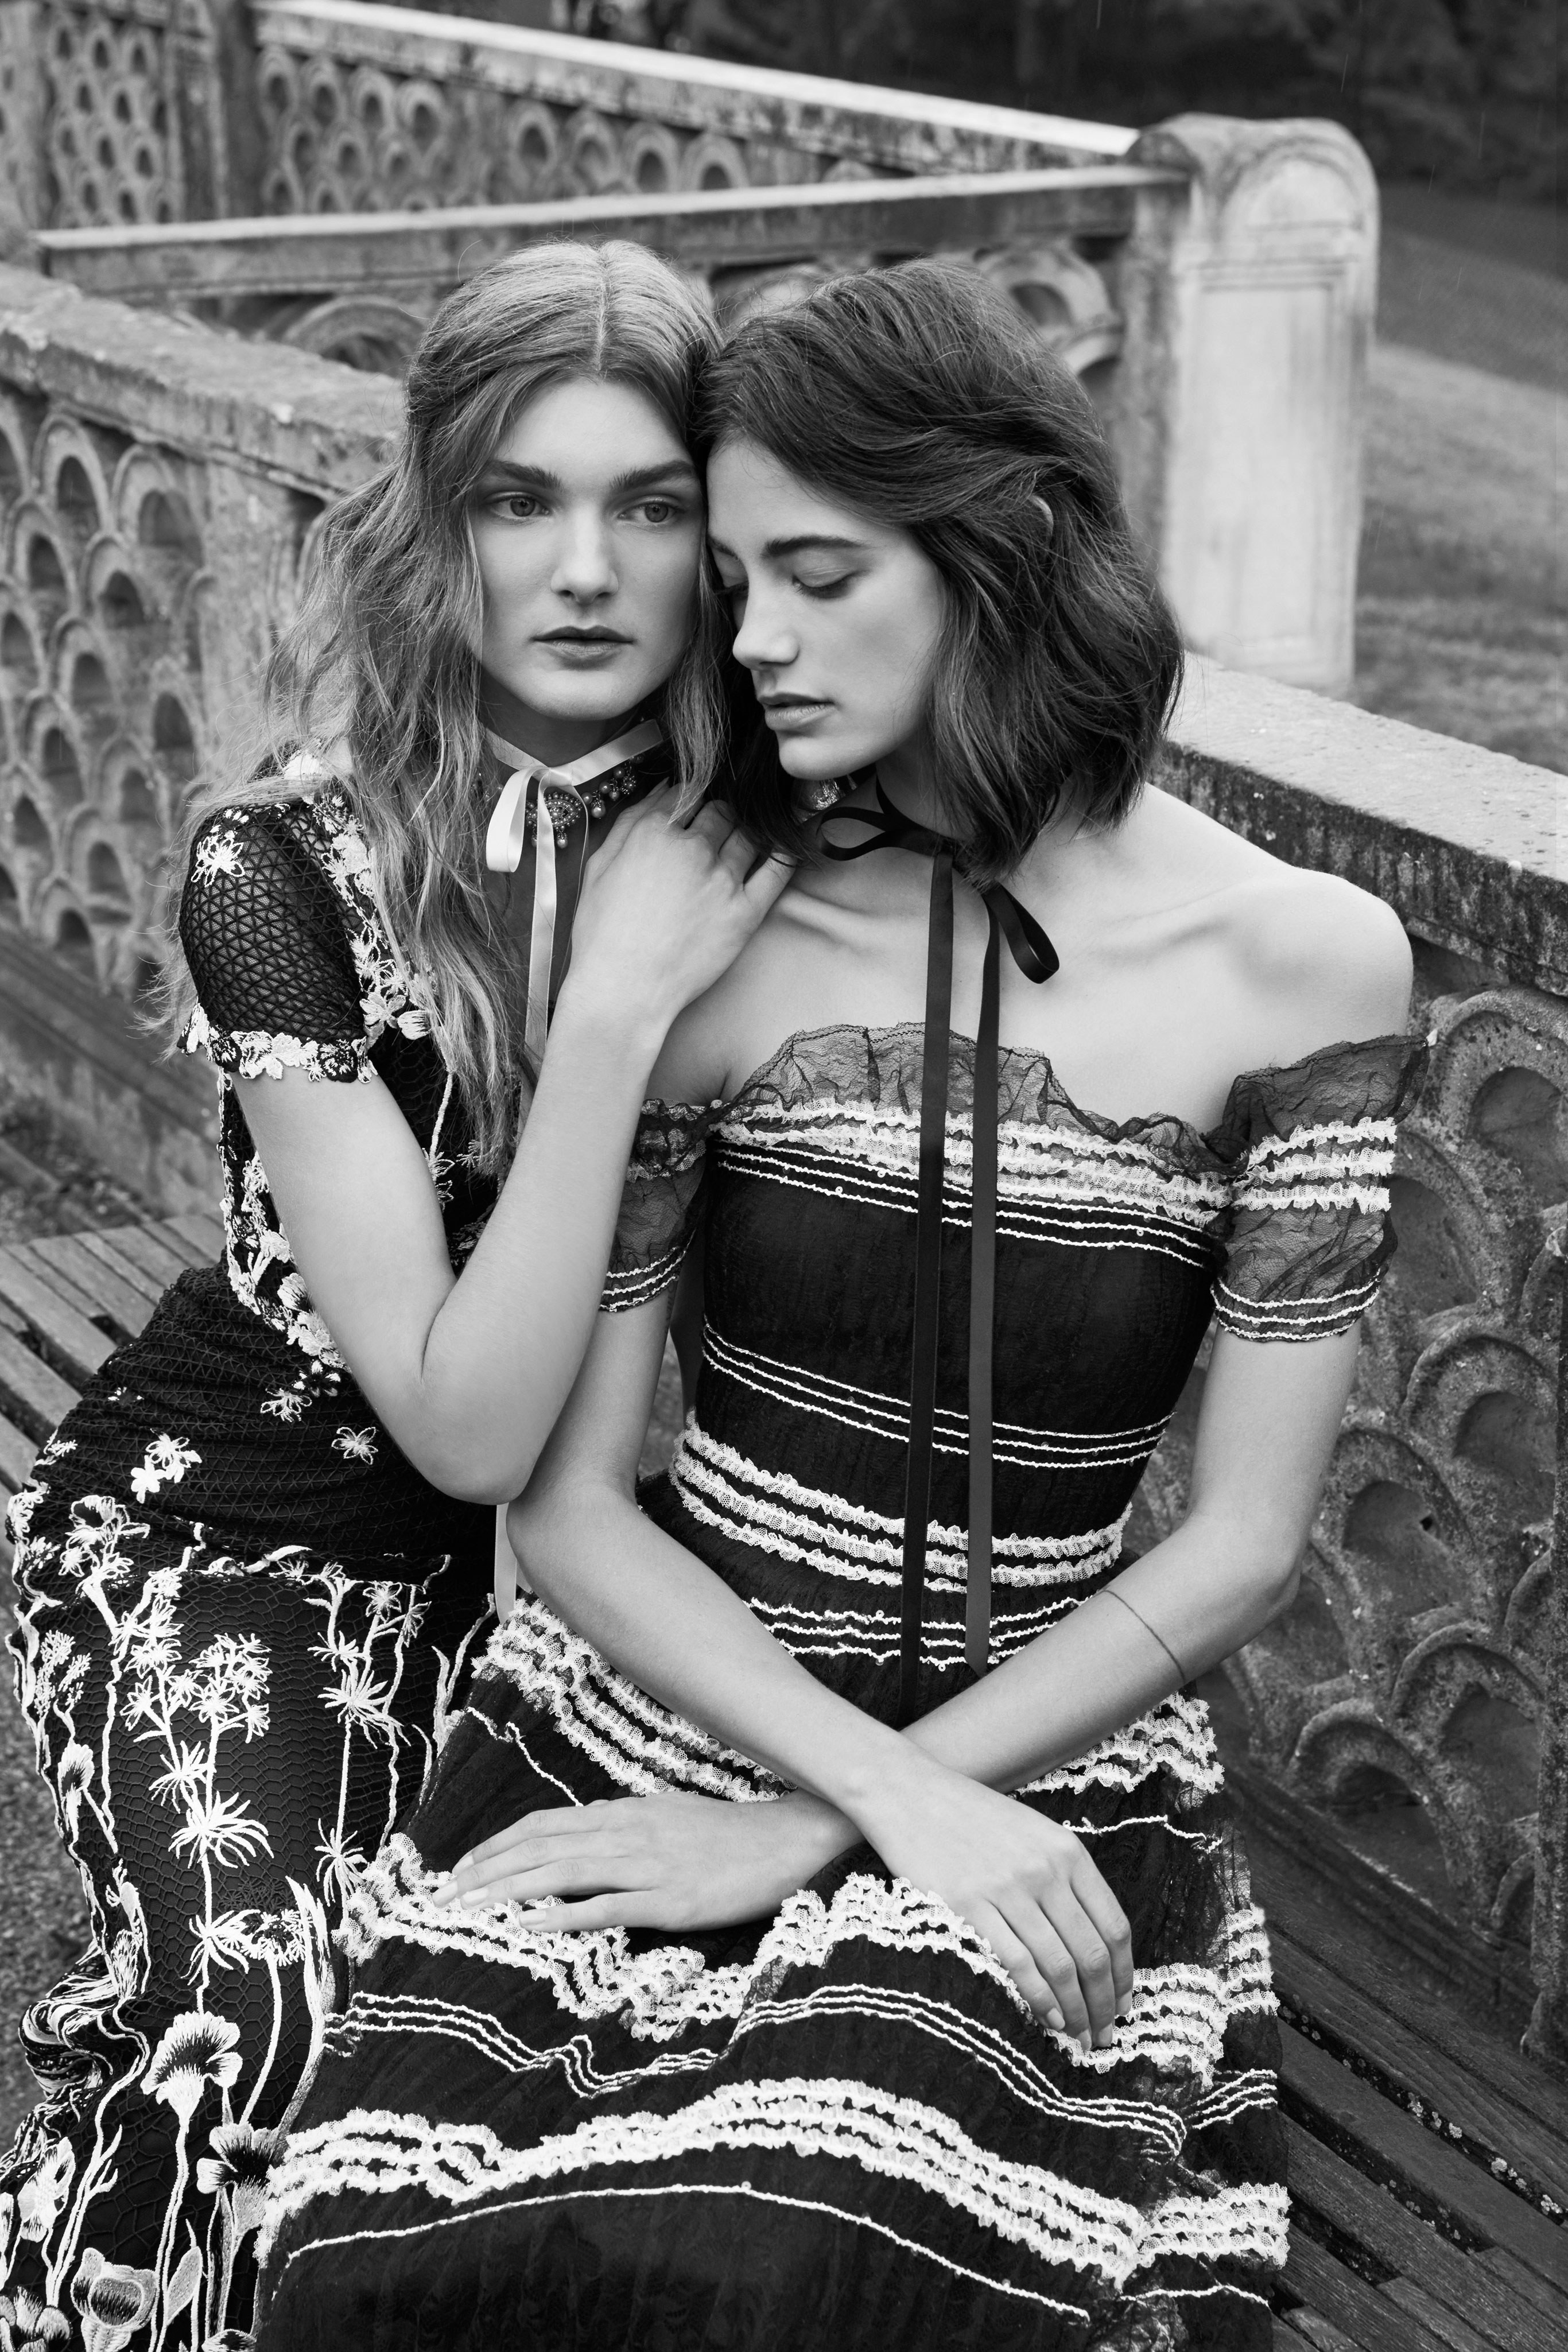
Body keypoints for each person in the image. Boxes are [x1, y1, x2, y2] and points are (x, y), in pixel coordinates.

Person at [255, 262, 1421, 2351]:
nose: (752, 640)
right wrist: (822, 1792)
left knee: (823, 2260)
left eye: (816, 572)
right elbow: (569, 1502)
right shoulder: (715, 921)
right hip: (657, 1698)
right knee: (394, 2254)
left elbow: (1245, 1540)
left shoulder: (1305, 965)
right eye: (735, 582)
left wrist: (847, 1819)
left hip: (1049, 1749)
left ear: (1002, 550)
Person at [0, 240, 787, 2351]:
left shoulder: (785, 851)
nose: (585, 569)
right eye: (521, 499)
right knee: (274, 2021)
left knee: (573, 2072)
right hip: (250, 1525)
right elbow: (457, 1421)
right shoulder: (279, 872)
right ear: (439, 523)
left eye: (648, 505)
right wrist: (608, 1016)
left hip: (627, 1557)